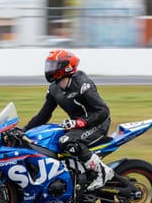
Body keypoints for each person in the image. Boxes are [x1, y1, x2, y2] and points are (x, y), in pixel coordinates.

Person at [23, 49, 114, 191]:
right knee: (47, 139)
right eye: (49, 65)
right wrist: (23, 131)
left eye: (53, 65)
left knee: (66, 141)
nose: (49, 69)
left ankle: (102, 172)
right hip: (77, 126)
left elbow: (103, 111)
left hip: (98, 123)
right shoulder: (54, 89)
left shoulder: (83, 84)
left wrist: (80, 122)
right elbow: (43, 115)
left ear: (66, 67)